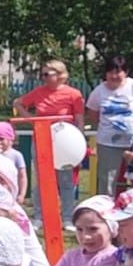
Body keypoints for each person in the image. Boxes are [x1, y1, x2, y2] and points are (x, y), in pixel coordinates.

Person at [14, 59, 84, 219]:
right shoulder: (38, 92)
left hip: (65, 143)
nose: (43, 78)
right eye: (42, 74)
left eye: (47, 74)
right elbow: (18, 103)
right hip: (42, 141)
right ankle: (39, 217)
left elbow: (79, 119)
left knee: (66, 182)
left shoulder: (74, 94)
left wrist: (80, 143)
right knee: (43, 181)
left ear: (60, 74)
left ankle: (67, 217)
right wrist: (31, 119)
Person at [86, 55, 133, 196]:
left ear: (126, 72)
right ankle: (105, 207)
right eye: (110, 72)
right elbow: (93, 115)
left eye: (118, 72)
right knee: (108, 178)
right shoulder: (98, 91)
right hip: (108, 142)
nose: (114, 76)